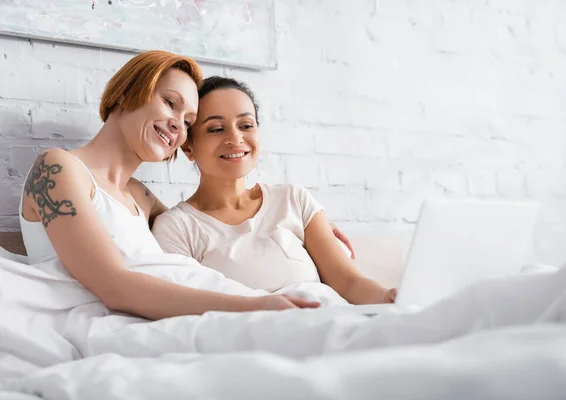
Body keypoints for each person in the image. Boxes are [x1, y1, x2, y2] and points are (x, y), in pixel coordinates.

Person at [19, 50, 334, 320]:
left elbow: (208, 227)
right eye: (170, 103)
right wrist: (250, 307)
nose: (178, 127)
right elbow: (113, 285)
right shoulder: (58, 167)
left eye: (187, 122)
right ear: (128, 92)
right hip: (121, 318)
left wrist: (311, 230)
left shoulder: (139, 197)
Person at [151, 76, 397, 305]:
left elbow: (349, 282)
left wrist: (389, 297)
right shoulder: (176, 228)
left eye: (246, 125)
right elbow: (186, 309)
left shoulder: (293, 200)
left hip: (330, 322)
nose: (235, 138)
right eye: (216, 129)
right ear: (188, 147)